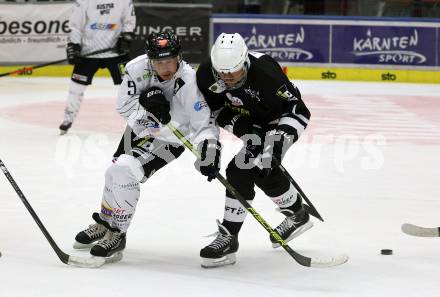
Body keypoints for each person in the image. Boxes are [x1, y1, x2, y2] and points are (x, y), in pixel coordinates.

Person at [72, 31, 221, 260]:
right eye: (159, 62)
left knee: (124, 171)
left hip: (171, 139)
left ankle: (118, 234)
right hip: (140, 129)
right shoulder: (136, 68)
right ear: (150, 60)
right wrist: (149, 107)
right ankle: (106, 222)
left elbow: (203, 124)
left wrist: (209, 150)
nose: (165, 67)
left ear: (179, 57)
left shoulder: (189, 81)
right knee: (114, 171)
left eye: (169, 60)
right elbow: (123, 106)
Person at [196, 33, 313, 268]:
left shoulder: (267, 74)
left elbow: (299, 110)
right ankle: (297, 214)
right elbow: (215, 111)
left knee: (245, 168)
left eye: (234, 72)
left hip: (279, 121)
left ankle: (229, 236)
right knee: (258, 170)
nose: (227, 78)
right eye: (223, 73)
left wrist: (277, 144)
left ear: (245, 62)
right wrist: (242, 128)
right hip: (250, 122)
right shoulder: (207, 73)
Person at [59, 0, 136, 135]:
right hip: (88, 52)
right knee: (76, 88)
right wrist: (74, 45)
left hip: (115, 52)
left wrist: (126, 37)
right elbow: (75, 25)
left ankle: (136, 121)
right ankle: (68, 118)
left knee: (130, 86)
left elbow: (129, 21)